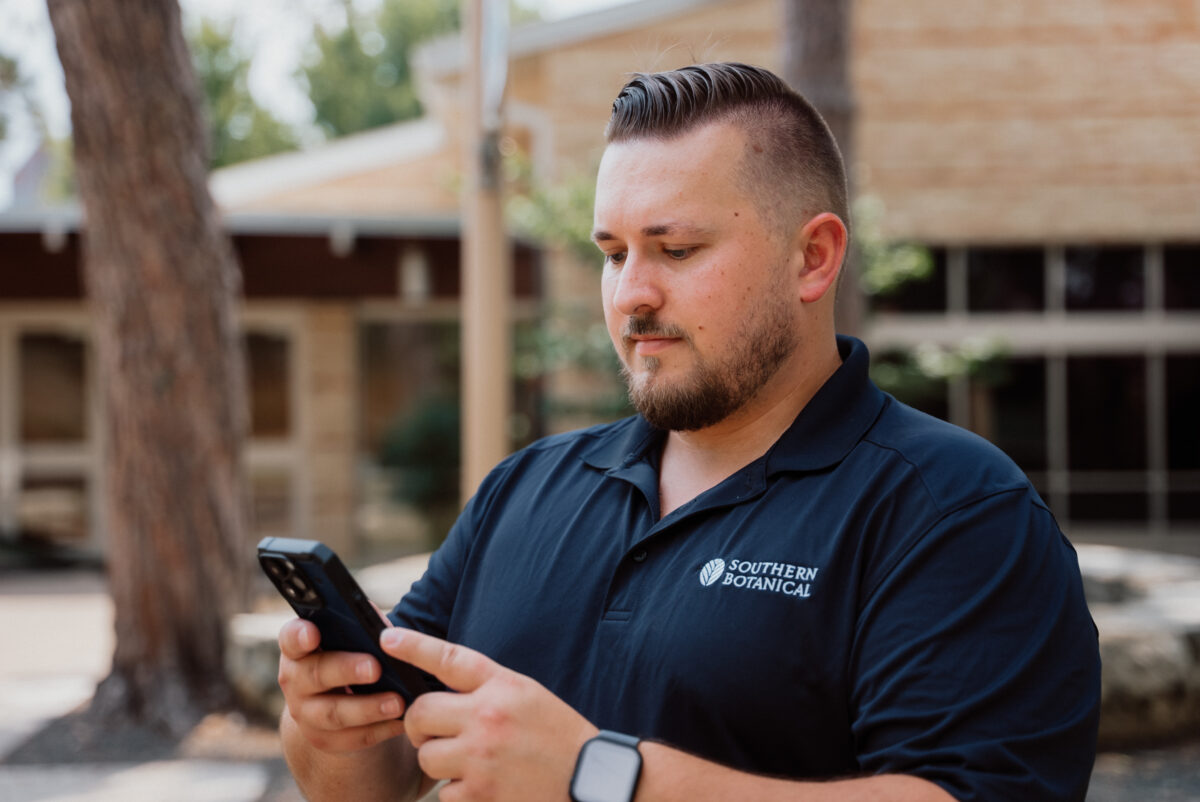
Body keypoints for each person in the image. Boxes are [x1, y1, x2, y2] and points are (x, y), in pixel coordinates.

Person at [276, 62, 1101, 802]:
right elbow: (377, 783)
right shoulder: (523, 491)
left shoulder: (954, 512)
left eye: (675, 249)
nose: (631, 294)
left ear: (813, 258)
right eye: (612, 252)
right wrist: (327, 729)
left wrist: (599, 774)